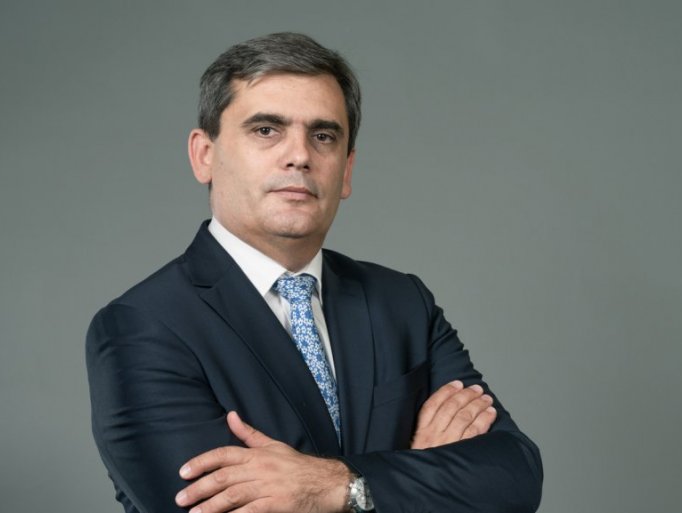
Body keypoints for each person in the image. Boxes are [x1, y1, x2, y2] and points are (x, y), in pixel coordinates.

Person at [86, 32, 543, 513]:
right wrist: (420, 474)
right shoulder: (142, 327)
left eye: (323, 136)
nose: (300, 155)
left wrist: (337, 486)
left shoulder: (403, 303)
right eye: (267, 130)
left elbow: (514, 477)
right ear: (205, 155)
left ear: (346, 170)